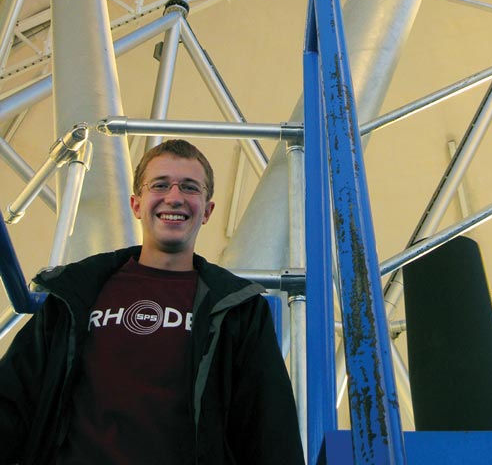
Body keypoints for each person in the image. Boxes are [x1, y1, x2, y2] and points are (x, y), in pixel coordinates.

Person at [0, 139, 305, 465]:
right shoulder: (75, 294)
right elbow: (13, 397)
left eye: (190, 188)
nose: (174, 197)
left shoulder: (238, 310)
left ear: (207, 210)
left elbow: (270, 427)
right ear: (136, 204)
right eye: (160, 185)